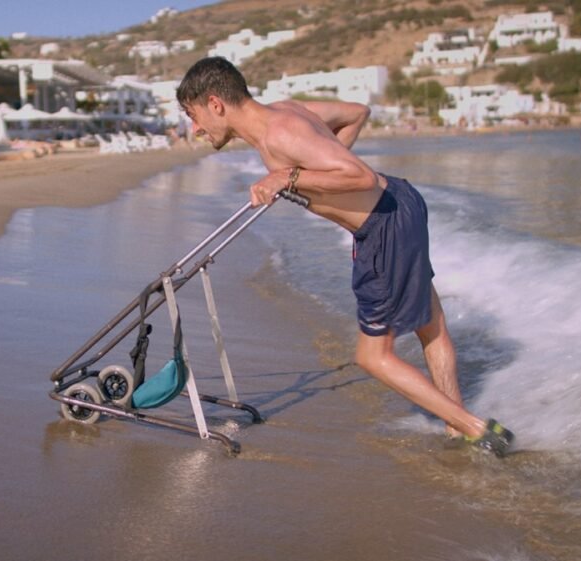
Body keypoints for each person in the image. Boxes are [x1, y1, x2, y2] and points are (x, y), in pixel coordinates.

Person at [176, 57, 514, 457]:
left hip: (382, 228)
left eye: (193, 116)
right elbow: (357, 113)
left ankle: (478, 429)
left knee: (373, 357)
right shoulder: (286, 111)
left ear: (216, 103)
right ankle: (456, 427)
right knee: (431, 327)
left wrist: (289, 177)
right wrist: (320, 174)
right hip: (402, 203)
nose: (195, 129)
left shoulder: (281, 133)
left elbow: (361, 177)